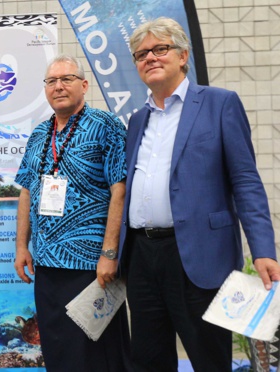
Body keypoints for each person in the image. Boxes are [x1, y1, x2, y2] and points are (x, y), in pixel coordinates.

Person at [119, 17, 280, 372]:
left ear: (183, 56)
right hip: (142, 258)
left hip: (199, 255)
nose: (151, 58)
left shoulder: (220, 104)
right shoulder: (136, 121)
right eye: (141, 54)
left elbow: (246, 181)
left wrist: (264, 250)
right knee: (147, 360)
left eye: (161, 49)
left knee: (209, 359)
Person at [14, 54, 131, 371]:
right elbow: (26, 189)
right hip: (47, 265)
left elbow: (119, 188)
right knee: (58, 351)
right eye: (51, 81)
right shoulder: (39, 134)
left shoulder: (106, 126)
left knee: (97, 354)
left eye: (66, 79)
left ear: (84, 84)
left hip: (92, 266)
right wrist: (22, 247)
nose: (58, 86)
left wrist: (109, 252)